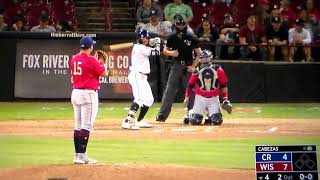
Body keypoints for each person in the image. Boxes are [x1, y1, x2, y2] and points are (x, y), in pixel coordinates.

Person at [70, 36, 109, 164]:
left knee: (78, 125)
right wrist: (102, 64)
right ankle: (81, 156)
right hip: (88, 94)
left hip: (75, 92)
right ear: (90, 47)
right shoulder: (91, 60)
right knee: (86, 126)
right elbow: (104, 73)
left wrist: (97, 63)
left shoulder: (74, 58)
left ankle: (78, 155)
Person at [156, 16, 201, 122]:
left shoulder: (192, 37)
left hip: (188, 66)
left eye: (182, 24)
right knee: (169, 90)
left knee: (191, 90)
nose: (181, 26)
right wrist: (171, 53)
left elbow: (199, 54)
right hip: (176, 65)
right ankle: (162, 114)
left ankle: (192, 112)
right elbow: (165, 51)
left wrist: (193, 66)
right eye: (179, 24)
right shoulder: (171, 36)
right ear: (176, 25)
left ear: (186, 24)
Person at [122, 30, 161, 130]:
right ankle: (127, 121)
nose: (145, 39)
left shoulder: (142, 47)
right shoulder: (139, 47)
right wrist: (157, 43)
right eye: (143, 37)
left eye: (146, 38)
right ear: (139, 38)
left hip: (143, 77)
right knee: (139, 99)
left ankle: (139, 121)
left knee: (149, 99)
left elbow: (149, 47)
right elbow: (156, 52)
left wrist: (151, 42)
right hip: (137, 75)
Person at [183, 49, 232, 126]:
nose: (204, 59)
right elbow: (190, 85)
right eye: (202, 57)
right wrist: (186, 97)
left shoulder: (218, 69)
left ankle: (210, 115)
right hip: (200, 98)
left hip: (213, 98)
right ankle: (190, 113)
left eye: (206, 57)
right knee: (195, 121)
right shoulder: (196, 70)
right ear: (200, 59)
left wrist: (225, 99)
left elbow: (223, 85)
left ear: (210, 58)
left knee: (217, 121)